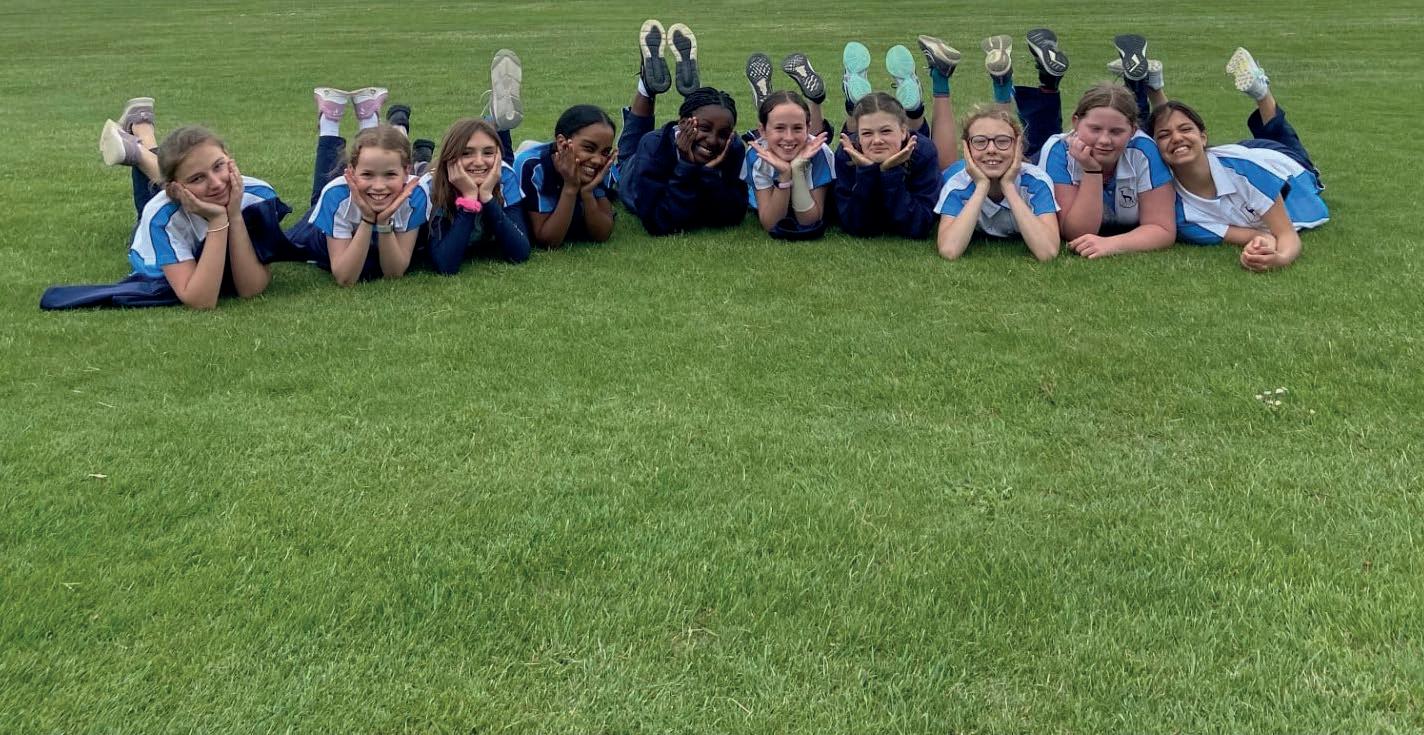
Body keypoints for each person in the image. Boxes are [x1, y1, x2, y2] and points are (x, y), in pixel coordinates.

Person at [41, 99, 291, 309]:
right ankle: (141, 144)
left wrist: (234, 215)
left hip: (175, 190)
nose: (216, 183)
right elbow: (201, 299)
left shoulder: (259, 196)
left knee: (177, 167)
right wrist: (217, 219)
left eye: (219, 166)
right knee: (156, 196)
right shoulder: (160, 218)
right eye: (198, 178)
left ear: (230, 158)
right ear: (175, 190)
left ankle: (140, 139)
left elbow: (250, 289)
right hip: (161, 223)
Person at [1150, 49, 1327, 271]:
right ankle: (1152, 86)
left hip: (1279, 161)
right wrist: (1263, 243)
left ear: (1203, 137)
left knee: (1278, 134)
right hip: (1234, 157)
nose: (1176, 137)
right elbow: (1254, 234)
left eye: (1186, 129)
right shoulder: (1179, 214)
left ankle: (1261, 91)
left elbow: (1286, 234)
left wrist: (1279, 258)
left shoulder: (1249, 171)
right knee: (1176, 137)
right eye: (1163, 136)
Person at [282, 87, 428, 286]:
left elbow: (394, 272)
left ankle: (357, 118)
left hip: (368, 226)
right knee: (316, 205)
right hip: (317, 235)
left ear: (406, 171)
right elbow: (345, 277)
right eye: (367, 174)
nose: (379, 186)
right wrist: (367, 219)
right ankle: (331, 122)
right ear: (350, 171)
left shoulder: (416, 194)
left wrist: (383, 222)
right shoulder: (336, 194)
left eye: (390, 175)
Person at [617, 20, 747, 236]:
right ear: (683, 123)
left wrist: (708, 173)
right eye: (704, 128)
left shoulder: (732, 148)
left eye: (723, 134)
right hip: (633, 173)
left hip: (670, 150)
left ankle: (656, 90)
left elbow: (733, 215)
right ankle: (647, 87)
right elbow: (658, 223)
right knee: (625, 158)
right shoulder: (654, 146)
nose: (713, 140)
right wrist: (686, 165)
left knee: (695, 124)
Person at [935, 107, 1060, 261]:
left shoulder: (1036, 182)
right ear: (967, 149)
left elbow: (1048, 252)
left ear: (1018, 146)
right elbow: (949, 251)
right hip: (955, 170)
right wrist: (981, 186)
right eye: (980, 142)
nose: (991, 149)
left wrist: (1008, 186)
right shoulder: (957, 184)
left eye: (1003, 141)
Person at [422, 117, 531, 273]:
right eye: (466, 153)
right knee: (422, 169)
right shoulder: (431, 186)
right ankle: (421, 160)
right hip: (429, 174)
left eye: (488, 152)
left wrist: (486, 195)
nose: (479, 162)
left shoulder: (505, 176)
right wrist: (469, 198)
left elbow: (520, 252)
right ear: (450, 156)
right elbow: (445, 264)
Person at [833, 92, 942, 239]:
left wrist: (891, 172)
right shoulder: (847, 153)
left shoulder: (923, 152)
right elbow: (854, 225)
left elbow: (919, 225)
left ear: (903, 131)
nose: (877, 140)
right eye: (867, 133)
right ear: (858, 136)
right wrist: (867, 172)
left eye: (885, 131)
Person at [512, 105, 618, 248]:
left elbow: (602, 234)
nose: (597, 160)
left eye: (605, 152)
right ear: (562, 143)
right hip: (526, 160)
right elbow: (549, 240)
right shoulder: (532, 167)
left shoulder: (601, 167)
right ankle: (527, 147)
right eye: (589, 148)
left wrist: (587, 193)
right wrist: (570, 187)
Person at [742, 91, 834, 239]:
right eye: (779, 128)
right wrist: (784, 175)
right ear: (763, 131)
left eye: (797, 128)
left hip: (806, 203)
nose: (789, 137)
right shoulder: (757, 155)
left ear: (808, 128)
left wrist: (797, 170)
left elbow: (809, 221)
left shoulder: (820, 152)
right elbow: (772, 224)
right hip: (771, 203)